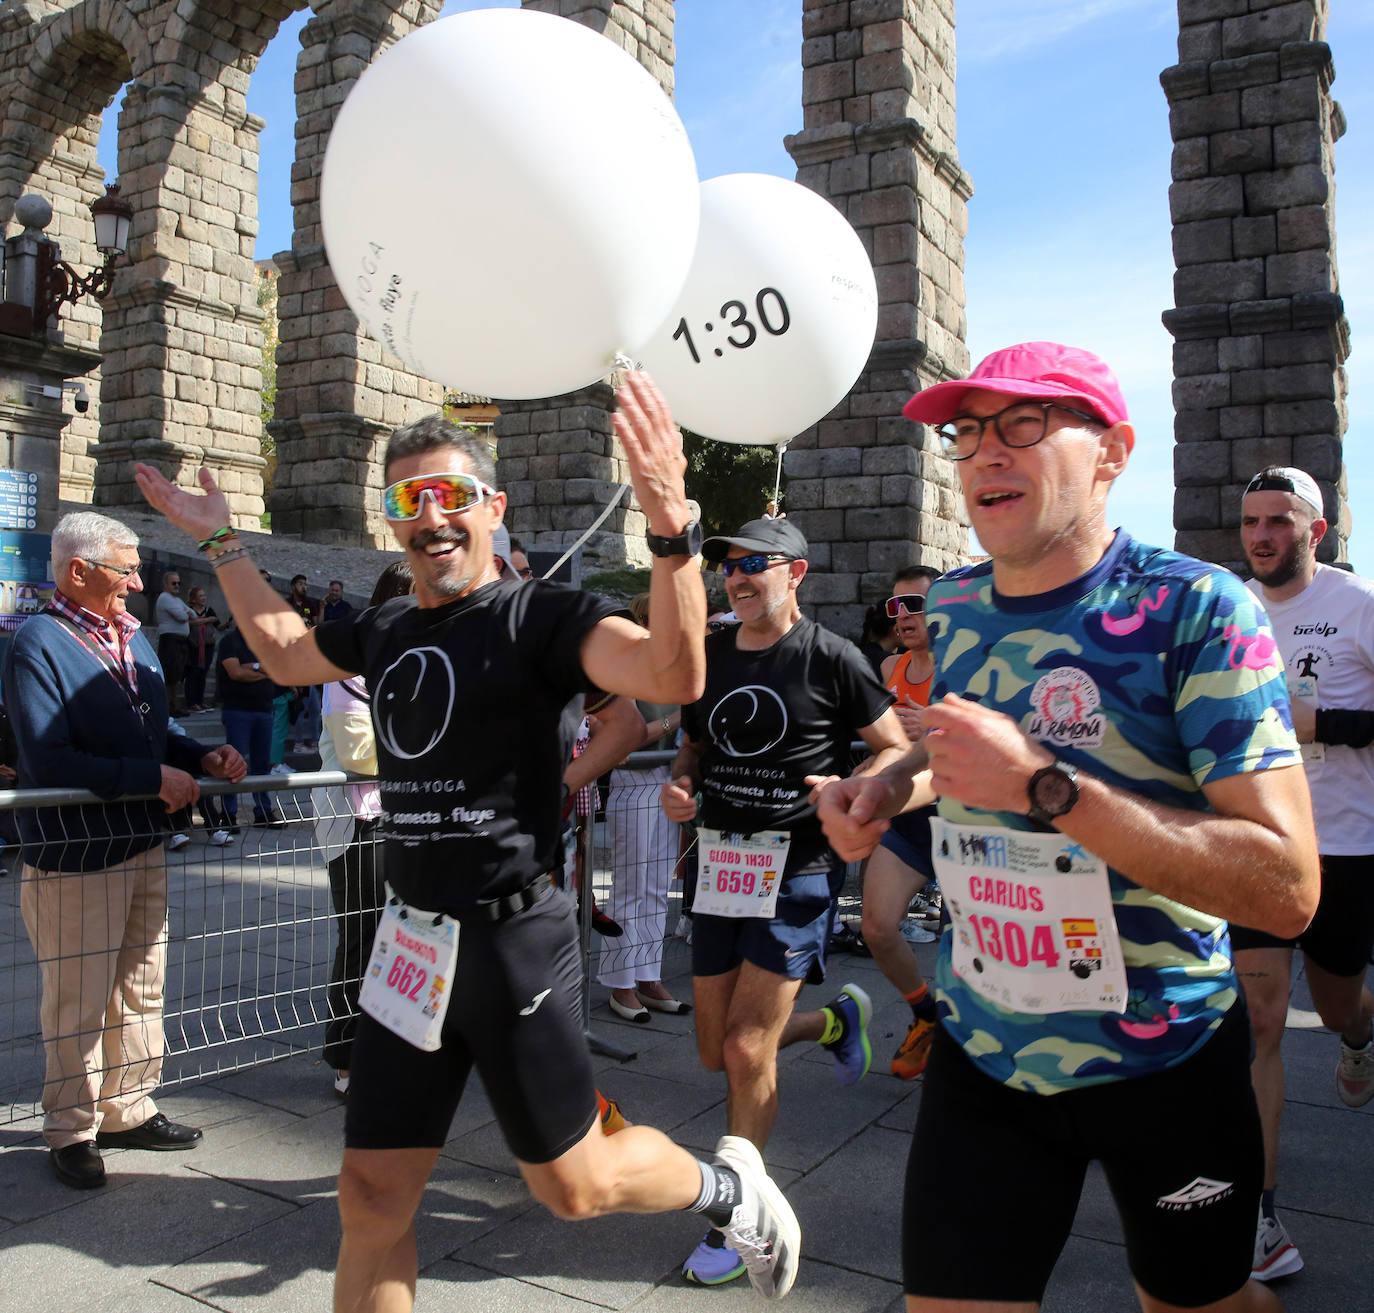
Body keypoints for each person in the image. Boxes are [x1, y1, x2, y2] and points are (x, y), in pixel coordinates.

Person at [133, 371, 801, 1307]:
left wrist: (669, 532)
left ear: (493, 506)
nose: (431, 516)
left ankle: (727, 1188)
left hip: (512, 938)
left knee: (573, 1186)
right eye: (410, 500)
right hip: (412, 945)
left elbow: (672, 673)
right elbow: (285, 651)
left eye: (451, 495)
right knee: (369, 1197)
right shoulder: (390, 623)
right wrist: (220, 540)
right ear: (393, 519)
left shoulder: (546, 614)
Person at [815, 342, 1320, 1313]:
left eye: (1022, 424)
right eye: (967, 433)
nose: (983, 454)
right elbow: (952, 754)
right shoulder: (957, 605)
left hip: (1163, 1055)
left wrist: (1048, 788)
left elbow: (1287, 888)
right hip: (989, 1042)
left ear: (1111, 452)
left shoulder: (1196, 608)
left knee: (1202, 1304)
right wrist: (884, 783)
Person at [662, 515, 908, 1287]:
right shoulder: (710, 656)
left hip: (798, 867)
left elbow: (895, 743)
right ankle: (834, 1020)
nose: (737, 577)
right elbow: (694, 746)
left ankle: (741, 1218)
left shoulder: (834, 659)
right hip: (720, 866)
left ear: (795, 573)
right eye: (728, 565)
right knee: (716, 1048)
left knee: (742, 1049)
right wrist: (681, 785)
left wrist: (857, 791)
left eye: (755, 564)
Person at [4, 511, 246, 1190]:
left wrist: (202, 754)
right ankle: (71, 1128)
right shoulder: (37, 645)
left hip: (139, 844)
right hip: (77, 854)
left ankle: (128, 1105)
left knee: (142, 983)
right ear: (77, 571)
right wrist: (152, 778)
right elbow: (49, 758)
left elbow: (156, 723)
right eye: (127, 568)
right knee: (79, 997)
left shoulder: (127, 638)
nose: (139, 583)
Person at [1234, 466, 1374, 1282]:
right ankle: (1261, 1214)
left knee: (1337, 999)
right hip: (1258, 840)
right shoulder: (1231, 610)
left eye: (1279, 521)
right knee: (1260, 1018)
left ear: (1314, 530)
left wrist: (1330, 722)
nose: (1261, 535)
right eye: (1252, 521)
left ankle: (1358, 1033)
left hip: (1346, 847)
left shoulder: (1357, 606)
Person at [316, 561, 413, 1099]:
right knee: (362, 938)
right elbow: (359, 753)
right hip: (359, 821)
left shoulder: (412, 663)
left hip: (402, 816)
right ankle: (348, 1057)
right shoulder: (349, 668)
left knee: (402, 936)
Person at [863, 566, 943, 1079]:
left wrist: (932, 724)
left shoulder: (967, 662)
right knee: (875, 925)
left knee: (968, 949)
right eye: (896, 607)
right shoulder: (890, 665)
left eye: (915, 604)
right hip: (909, 817)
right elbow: (883, 744)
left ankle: (969, 1045)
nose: (905, 616)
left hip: (962, 817)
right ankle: (925, 1016)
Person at [599, 592, 688, 1021]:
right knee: (630, 887)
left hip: (664, 777)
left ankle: (648, 975)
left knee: (655, 885)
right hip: (634, 779)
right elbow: (629, 734)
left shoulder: (669, 669)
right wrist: (679, 719)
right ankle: (621, 984)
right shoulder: (627, 670)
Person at [218, 619, 287, 829]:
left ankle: (263, 812)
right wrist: (261, 669)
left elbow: (275, 670)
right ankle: (228, 814)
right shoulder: (230, 641)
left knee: (261, 765)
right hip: (238, 711)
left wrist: (254, 667)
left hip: (264, 710)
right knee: (234, 764)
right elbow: (235, 672)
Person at [287, 574, 322, 753]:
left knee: (315, 707)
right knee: (300, 707)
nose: (304, 587)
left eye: (305, 584)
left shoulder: (310, 604)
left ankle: (315, 740)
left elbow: (318, 626)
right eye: (300, 584)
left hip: (309, 660)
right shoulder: (286, 605)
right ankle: (299, 742)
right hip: (295, 660)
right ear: (293, 586)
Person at [154, 569, 196, 715]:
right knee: (170, 674)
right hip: (170, 641)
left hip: (180, 642)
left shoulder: (177, 600)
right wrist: (187, 613)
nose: (177, 585)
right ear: (165, 584)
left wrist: (187, 613)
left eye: (179, 583)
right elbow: (182, 617)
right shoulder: (164, 598)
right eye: (173, 583)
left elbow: (194, 614)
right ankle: (169, 706)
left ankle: (174, 705)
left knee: (177, 675)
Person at [184, 584, 226, 711]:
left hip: (208, 646)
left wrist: (227, 624)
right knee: (193, 673)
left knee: (203, 673)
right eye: (200, 596)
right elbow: (187, 623)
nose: (203, 598)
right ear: (194, 598)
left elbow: (219, 626)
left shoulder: (209, 610)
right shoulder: (189, 610)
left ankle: (200, 701)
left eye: (204, 595)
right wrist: (207, 620)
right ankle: (191, 702)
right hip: (193, 646)